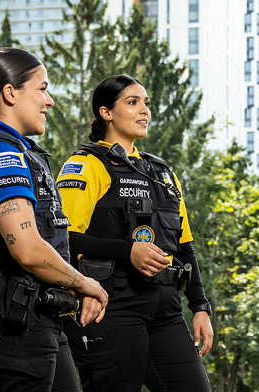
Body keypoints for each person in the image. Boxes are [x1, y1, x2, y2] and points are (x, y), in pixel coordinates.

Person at [0, 47, 109, 391]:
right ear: (10, 93)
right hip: (11, 327)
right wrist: (84, 284)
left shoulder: (21, 153)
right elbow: (27, 249)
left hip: (37, 319)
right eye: (42, 88)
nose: (49, 101)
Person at [57, 75, 213, 391]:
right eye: (132, 102)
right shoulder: (85, 164)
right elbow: (62, 240)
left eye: (146, 103)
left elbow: (184, 246)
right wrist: (127, 250)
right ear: (106, 112)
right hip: (109, 307)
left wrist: (200, 306)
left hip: (166, 310)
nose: (144, 110)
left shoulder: (163, 173)